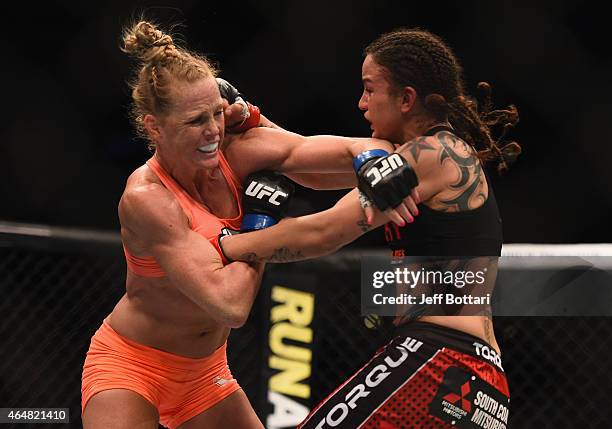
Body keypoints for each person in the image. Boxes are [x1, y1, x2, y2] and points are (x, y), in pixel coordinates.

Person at [80, 21, 417, 429]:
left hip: (205, 375)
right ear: (154, 127)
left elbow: (321, 151)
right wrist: (259, 224)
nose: (212, 132)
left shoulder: (235, 150)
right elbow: (230, 305)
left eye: (216, 114)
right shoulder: (148, 200)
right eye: (194, 121)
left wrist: (374, 160)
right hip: (131, 366)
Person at [219, 29, 521, 428]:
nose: (361, 104)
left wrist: (228, 245)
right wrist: (251, 118)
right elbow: (308, 167)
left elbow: (324, 232)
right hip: (478, 382)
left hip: (439, 361)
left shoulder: (430, 155)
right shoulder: (422, 156)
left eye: (369, 90)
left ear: (406, 99)